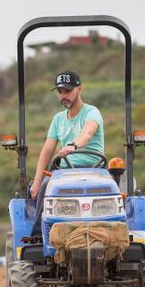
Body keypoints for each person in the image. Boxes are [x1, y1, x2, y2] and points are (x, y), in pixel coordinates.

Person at [30, 71, 105, 232]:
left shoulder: (92, 112)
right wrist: (37, 181)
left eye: (68, 91)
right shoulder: (58, 119)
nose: (63, 95)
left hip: (93, 169)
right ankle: (39, 235)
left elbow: (88, 132)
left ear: (79, 89)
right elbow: (47, 150)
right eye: (60, 92)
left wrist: (73, 146)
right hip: (64, 172)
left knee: (113, 188)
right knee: (44, 187)